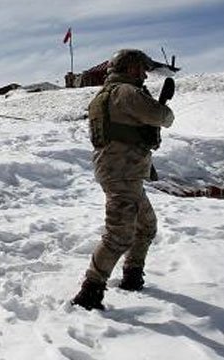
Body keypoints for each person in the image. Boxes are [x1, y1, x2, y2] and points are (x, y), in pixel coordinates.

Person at [71, 49, 175, 310]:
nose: (144, 75)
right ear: (131, 69)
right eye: (141, 69)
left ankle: (132, 274)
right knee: (119, 235)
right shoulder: (126, 92)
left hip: (123, 172)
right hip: (122, 173)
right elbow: (162, 117)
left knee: (146, 226)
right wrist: (163, 109)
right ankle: (90, 292)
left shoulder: (106, 94)